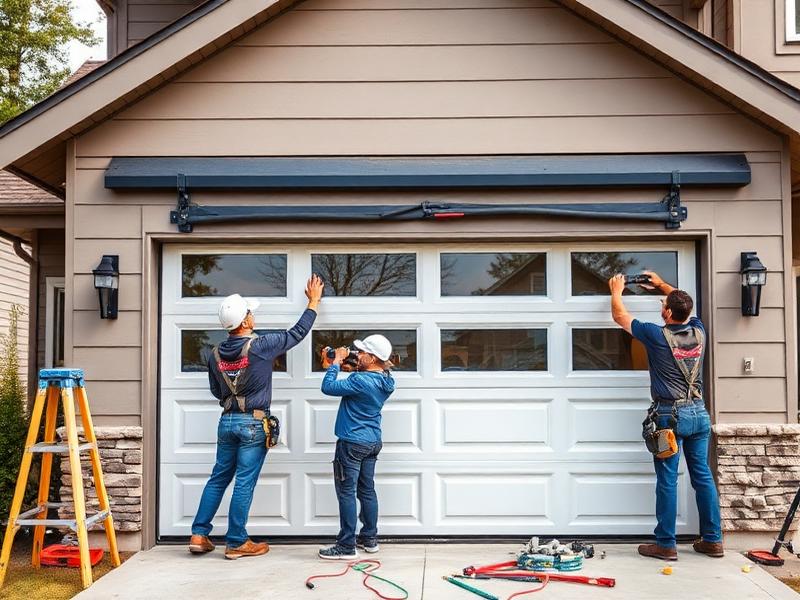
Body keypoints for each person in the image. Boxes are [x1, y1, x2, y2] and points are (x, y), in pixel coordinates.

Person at [189, 275, 324, 560]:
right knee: (244, 481)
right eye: (250, 312)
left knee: (218, 478)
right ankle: (237, 541)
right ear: (245, 321)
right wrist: (313, 302)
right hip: (253, 423)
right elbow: (297, 333)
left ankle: (199, 534)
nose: (253, 315)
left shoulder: (214, 354)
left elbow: (216, 391)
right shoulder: (261, 346)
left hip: (227, 422)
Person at [609, 271, 723, 561]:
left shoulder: (656, 335)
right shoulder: (699, 330)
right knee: (703, 477)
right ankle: (713, 540)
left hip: (668, 418)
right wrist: (660, 285)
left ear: (669, 313)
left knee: (668, 480)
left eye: (664, 305)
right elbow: (684, 304)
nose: (662, 306)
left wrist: (617, 290)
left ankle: (666, 544)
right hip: (699, 414)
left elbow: (620, 317)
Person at [318, 335, 396, 560]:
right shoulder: (387, 380)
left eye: (362, 352)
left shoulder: (360, 381)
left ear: (372, 358)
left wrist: (335, 363)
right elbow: (365, 376)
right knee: (367, 490)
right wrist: (348, 364)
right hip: (372, 441)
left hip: (352, 442)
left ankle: (346, 546)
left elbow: (327, 387)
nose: (358, 355)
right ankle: (369, 539)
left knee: (346, 492)